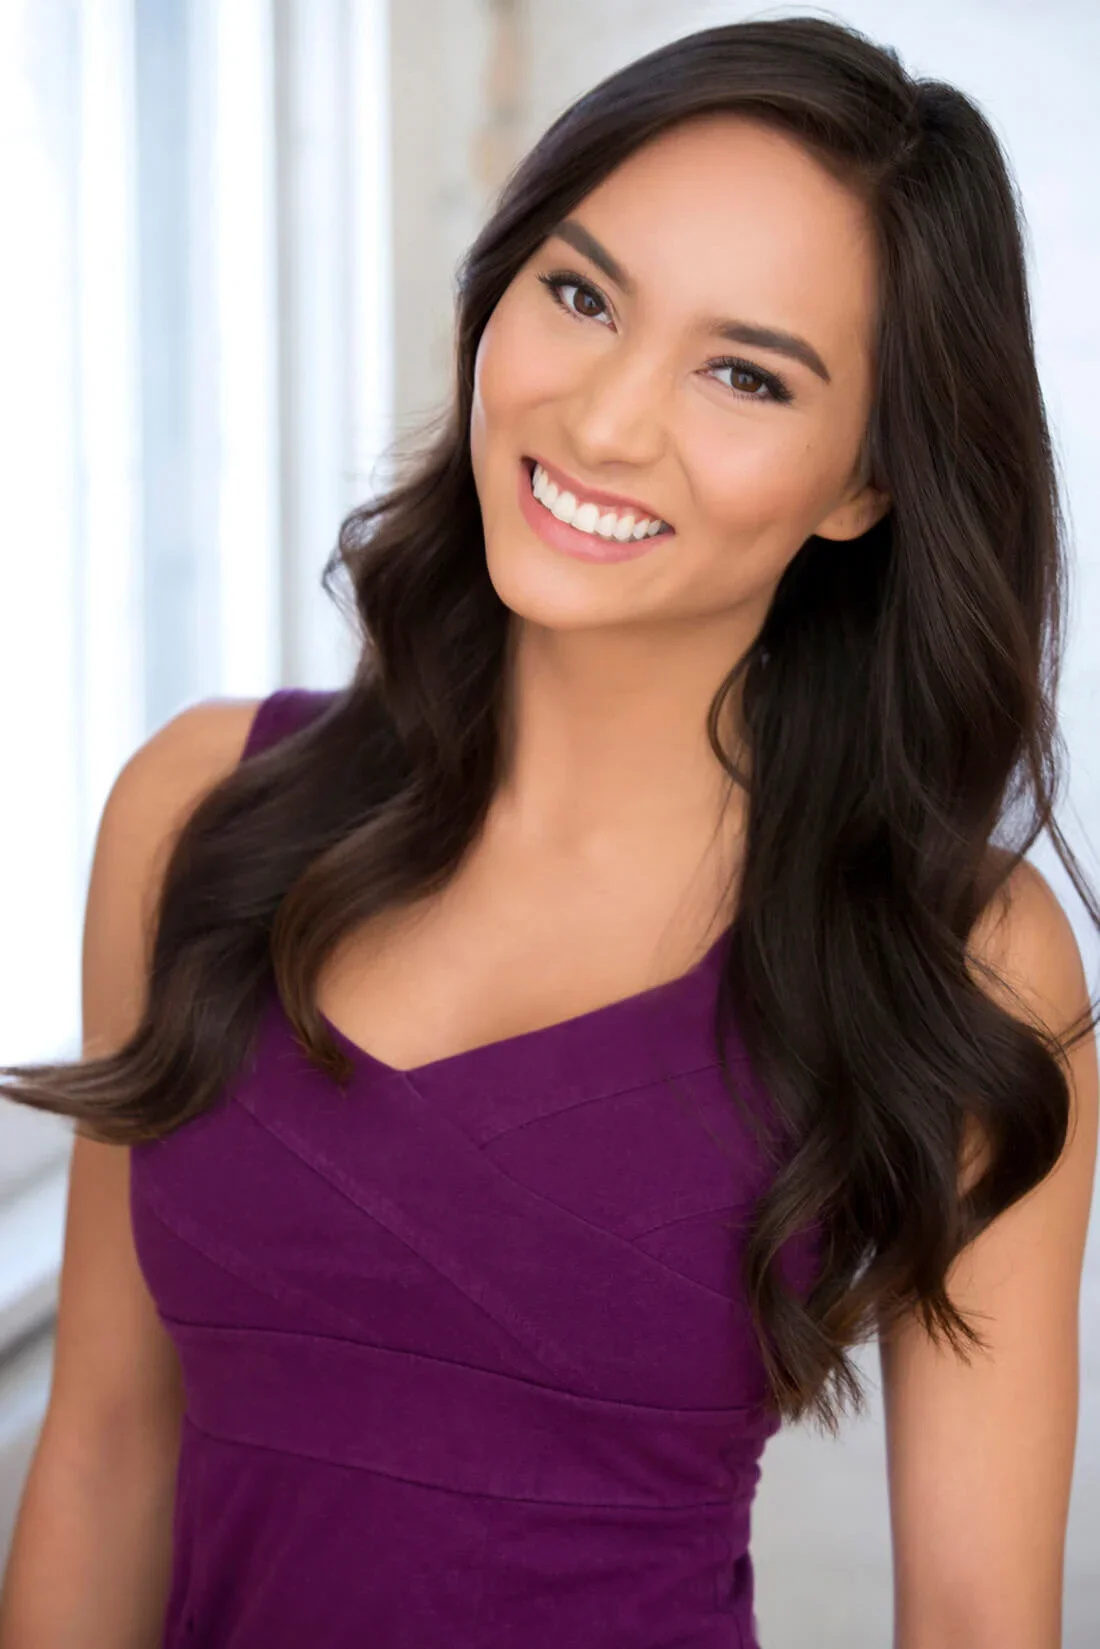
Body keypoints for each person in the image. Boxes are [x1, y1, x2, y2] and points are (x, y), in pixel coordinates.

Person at [1, 14, 1097, 1649]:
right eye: (581, 296)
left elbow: (973, 1617)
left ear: (865, 481)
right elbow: (102, 1445)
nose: (601, 423)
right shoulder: (199, 811)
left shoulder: (972, 960)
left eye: (745, 373)